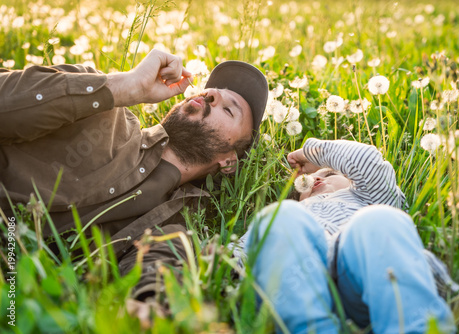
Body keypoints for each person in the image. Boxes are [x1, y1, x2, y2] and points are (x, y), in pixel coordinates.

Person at [0, 49, 269, 302]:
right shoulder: (101, 105)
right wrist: (124, 87)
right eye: (212, 90)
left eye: (229, 109)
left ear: (228, 162)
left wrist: (151, 302)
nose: (211, 95)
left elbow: (153, 280)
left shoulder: (173, 232)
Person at [236, 138, 457, 333]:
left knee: (379, 221)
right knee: (278, 218)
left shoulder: (369, 197)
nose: (315, 179)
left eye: (330, 173)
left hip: (365, 277)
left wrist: (313, 154)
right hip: (297, 286)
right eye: (305, 182)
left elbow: (367, 161)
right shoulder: (293, 213)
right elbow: (246, 251)